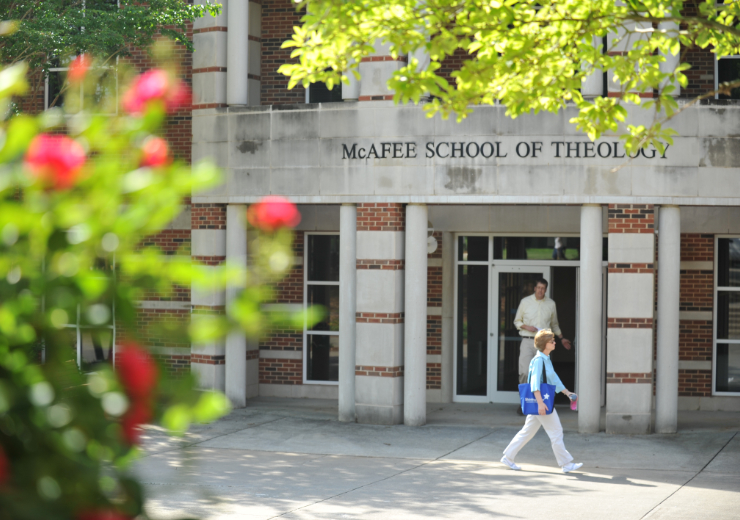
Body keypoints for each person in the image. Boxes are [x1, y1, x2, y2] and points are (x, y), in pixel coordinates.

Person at [500, 329, 583, 474]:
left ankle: (508, 456)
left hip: (541, 402)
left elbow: (554, 379)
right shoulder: (539, 361)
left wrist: (567, 393)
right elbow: (534, 383)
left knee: (527, 432)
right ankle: (566, 463)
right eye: (552, 341)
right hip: (542, 402)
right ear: (545, 344)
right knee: (556, 431)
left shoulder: (545, 359)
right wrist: (540, 403)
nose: (554, 342)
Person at [513, 277, 571, 414]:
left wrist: (562, 338)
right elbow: (517, 321)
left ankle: (545, 402)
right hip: (527, 340)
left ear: (546, 289)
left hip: (543, 343)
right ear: (534, 288)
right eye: (538, 288)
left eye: (543, 288)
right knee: (525, 372)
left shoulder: (551, 304)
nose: (540, 290)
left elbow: (554, 324)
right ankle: (525, 403)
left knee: (545, 374)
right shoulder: (525, 302)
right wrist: (527, 326)